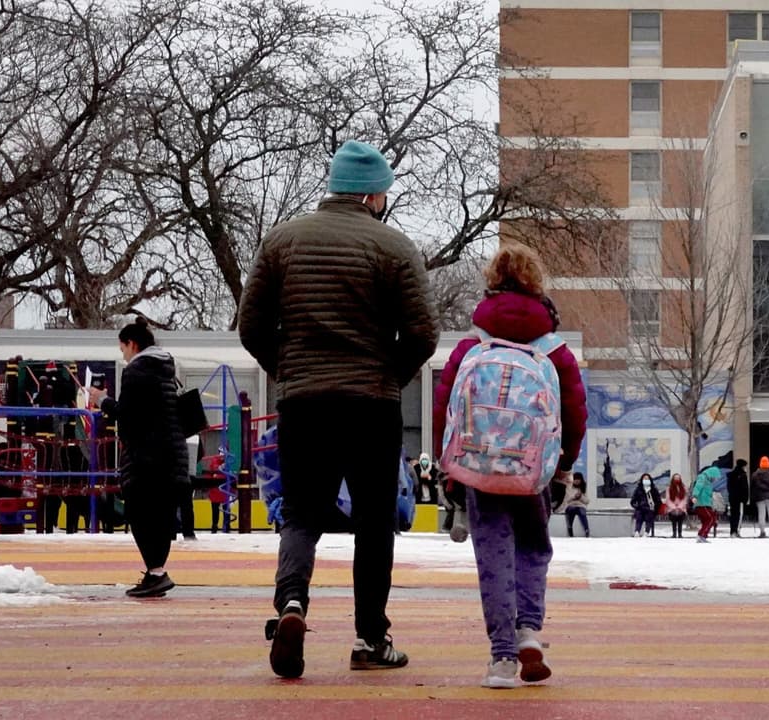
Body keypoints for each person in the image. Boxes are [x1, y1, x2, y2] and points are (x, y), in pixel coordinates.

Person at [239, 140, 439, 679]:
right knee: (374, 522)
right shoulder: (394, 247)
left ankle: (291, 605)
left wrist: (290, 371)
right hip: (372, 406)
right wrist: (388, 376)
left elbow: (251, 327)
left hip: (304, 404)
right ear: (375, 194)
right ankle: (371, 639)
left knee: (302, 514)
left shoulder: (281, 241)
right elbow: (423, 333)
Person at [433, 245, 587, 689]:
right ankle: (530, 633)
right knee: (533, 549)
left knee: (494, 556)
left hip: (480, 468)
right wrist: (562, 468)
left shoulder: (471, 346)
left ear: (492, 281)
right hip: (533, 470)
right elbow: (575, 413)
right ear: (537, 284)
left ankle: (501, 658)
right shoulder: (554, 352)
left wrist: (450, 467)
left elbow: (444, 407)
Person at [88, 317, 189, 599]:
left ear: (132, 344)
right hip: (172, 454)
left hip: (147, 457)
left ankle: (156, 573)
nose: (123, 355)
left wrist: (101, 401)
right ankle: (156, 572)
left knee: (140, 513)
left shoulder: (136, 372)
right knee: (161, 516)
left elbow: (128, 414)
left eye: (123, 349)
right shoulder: (166, 368)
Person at [750, 457, 769, 538]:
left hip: (759, 497)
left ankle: (762, 532)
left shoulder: (755, 475)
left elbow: (752, 486)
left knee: (761, 514)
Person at [693, 465, 721, 543]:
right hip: (702, 503)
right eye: (715, 477)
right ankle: (701, 535)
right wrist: (695, 496)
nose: (715, 479)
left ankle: (702, 535)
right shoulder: (702, 477)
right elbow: (698, 487)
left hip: (706, 503)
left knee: (708, 519)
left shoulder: (708, 481)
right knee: (711, 519)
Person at [727, 459, 749, 538]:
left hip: (732, 498)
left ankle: (732, 531)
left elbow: (729, 487)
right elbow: (745, 488)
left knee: (733, 515)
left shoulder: (731, 475)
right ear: (743, 466)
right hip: (740, 499)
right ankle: (736, 531)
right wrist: (745, 498)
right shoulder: (743, 475)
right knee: (739, 514)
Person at [663, 474, 689, 538]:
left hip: (681, 508)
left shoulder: (684, 488)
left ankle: (680, 533)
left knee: (680, 518)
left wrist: (680, 506)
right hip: (671, 508)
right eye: (675, 478)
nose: (677, 479)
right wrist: (673, 507)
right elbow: (668, 499)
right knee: (673, 517)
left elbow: (685, 498)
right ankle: (674, 533)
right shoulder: (669, 488)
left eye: (678, 478)